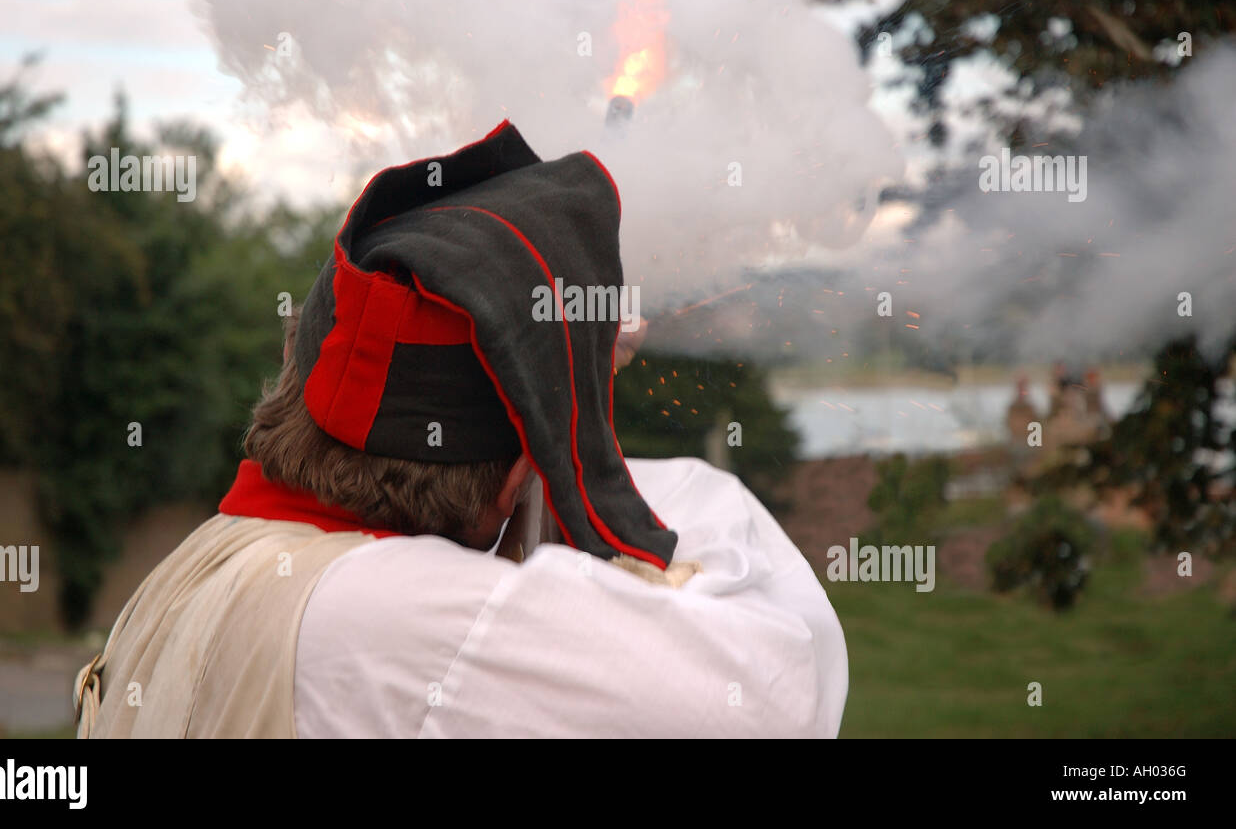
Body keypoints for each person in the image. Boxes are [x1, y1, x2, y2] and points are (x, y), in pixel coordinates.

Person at [74, 121, 847, 738]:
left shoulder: (208, 557)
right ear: (519, 472)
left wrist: (555, 392)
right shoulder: (402, 617)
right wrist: (577, 421)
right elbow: (782, 695)